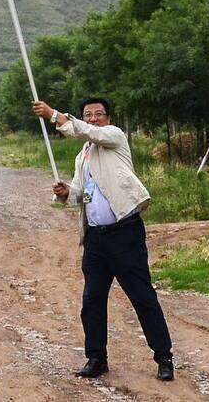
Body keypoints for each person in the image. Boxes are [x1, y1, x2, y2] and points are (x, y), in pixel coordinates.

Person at [31, 96, 174, 382]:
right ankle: (96, 358)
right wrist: (65, 192)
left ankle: (163, 357)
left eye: (98, 114)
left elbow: (88, 131)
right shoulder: (82, 156)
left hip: (125, 234)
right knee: (92, 301)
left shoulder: (114, 137)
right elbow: (81, 194)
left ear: (107, 118)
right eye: (88, 114)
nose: (93, 118)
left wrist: (54, 115)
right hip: (95, 239)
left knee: (142, 297)